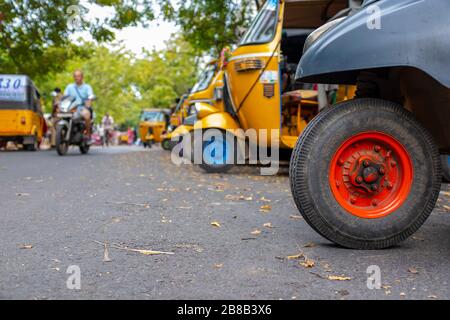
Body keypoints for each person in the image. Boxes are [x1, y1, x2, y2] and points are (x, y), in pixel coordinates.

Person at [64, 70, 95, 143]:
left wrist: (89, 101)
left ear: (82, 77)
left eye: (78, 76)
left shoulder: (87, 87)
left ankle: (88, 136)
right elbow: (65, 96)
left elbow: (90, 96)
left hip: (82, 108)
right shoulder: (69, 87)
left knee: (87, 115)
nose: (76, 78)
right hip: (71, 108)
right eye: (75, 76)